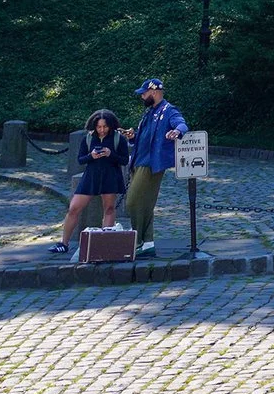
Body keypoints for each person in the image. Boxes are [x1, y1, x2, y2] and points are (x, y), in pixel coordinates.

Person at [123, 76, 188, 258]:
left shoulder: (168, 110)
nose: (142, 96)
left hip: (151, 164)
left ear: (153, 92)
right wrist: (132, 136)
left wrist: (177, 131)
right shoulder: (149, 112)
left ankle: (137, 241)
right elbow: (144, 137)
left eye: (144, 93)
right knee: (145, 204)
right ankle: (148, 243)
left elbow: (181, 123)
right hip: (138, 161)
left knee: (133, 202)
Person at [55, 109, 130, 258]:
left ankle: (104, 244)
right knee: (74, 208)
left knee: (109, 208)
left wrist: (111, 154)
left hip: (110, 176)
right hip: (91, 176)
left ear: (111, 126)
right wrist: (92, 156)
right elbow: (81, 159)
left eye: (105, 127)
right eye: (99, 127)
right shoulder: (88, 138)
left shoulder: (118, 139)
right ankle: (64, 243)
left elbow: (124, 160)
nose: (102, 130)